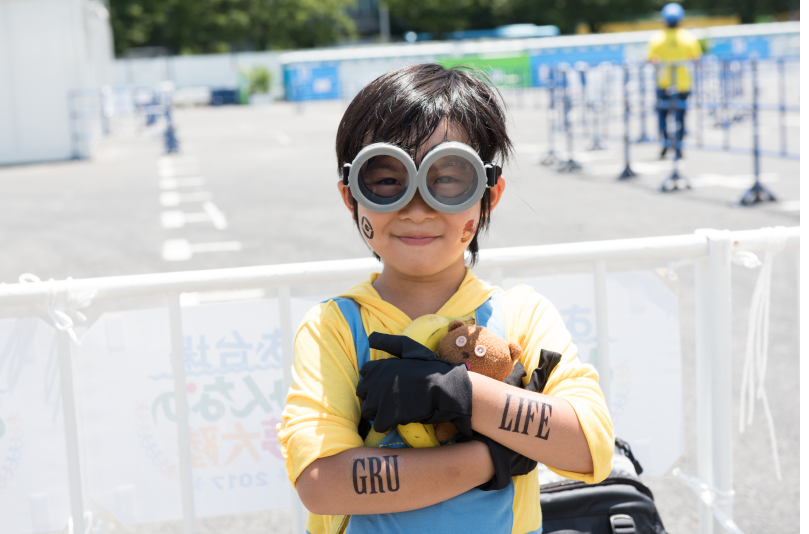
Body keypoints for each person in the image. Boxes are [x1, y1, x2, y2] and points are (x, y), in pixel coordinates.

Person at [277, 64, 614, 534]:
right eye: (387, 179)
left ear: (489, 194)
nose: (416, 209)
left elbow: (590, 446)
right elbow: (322, 483)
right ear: (351, 197)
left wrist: (460, 393)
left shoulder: (521, 315)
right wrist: (492, 457)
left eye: (449, 178)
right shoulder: (335, 327)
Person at [647, 3, 703, 159]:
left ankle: (665, 142)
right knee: (680, 116)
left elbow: (650, 59)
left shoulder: (657, 38)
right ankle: (679, 147)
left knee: (663, 115)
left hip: (664, 83)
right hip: (683, 84)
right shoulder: (688, 37)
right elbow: (697, 59)